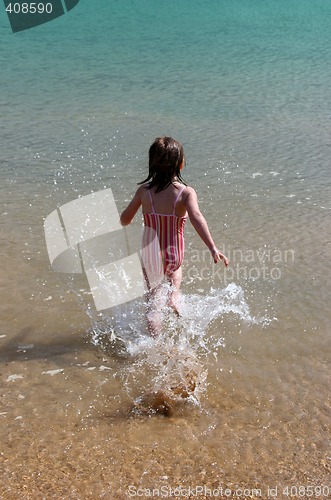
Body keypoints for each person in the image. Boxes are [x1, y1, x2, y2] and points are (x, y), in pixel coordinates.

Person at [120, 136, 229, 335]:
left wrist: (124, 219)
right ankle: (174, 297)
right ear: (180, 164)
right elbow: (197, 218)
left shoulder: (144, 191)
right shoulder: (186, 193)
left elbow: (125, 219)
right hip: (173, 253)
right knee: (175, 270)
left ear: (151, 164)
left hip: (150, 256)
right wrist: (213, 248)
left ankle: (154, 340)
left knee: (152, 302)